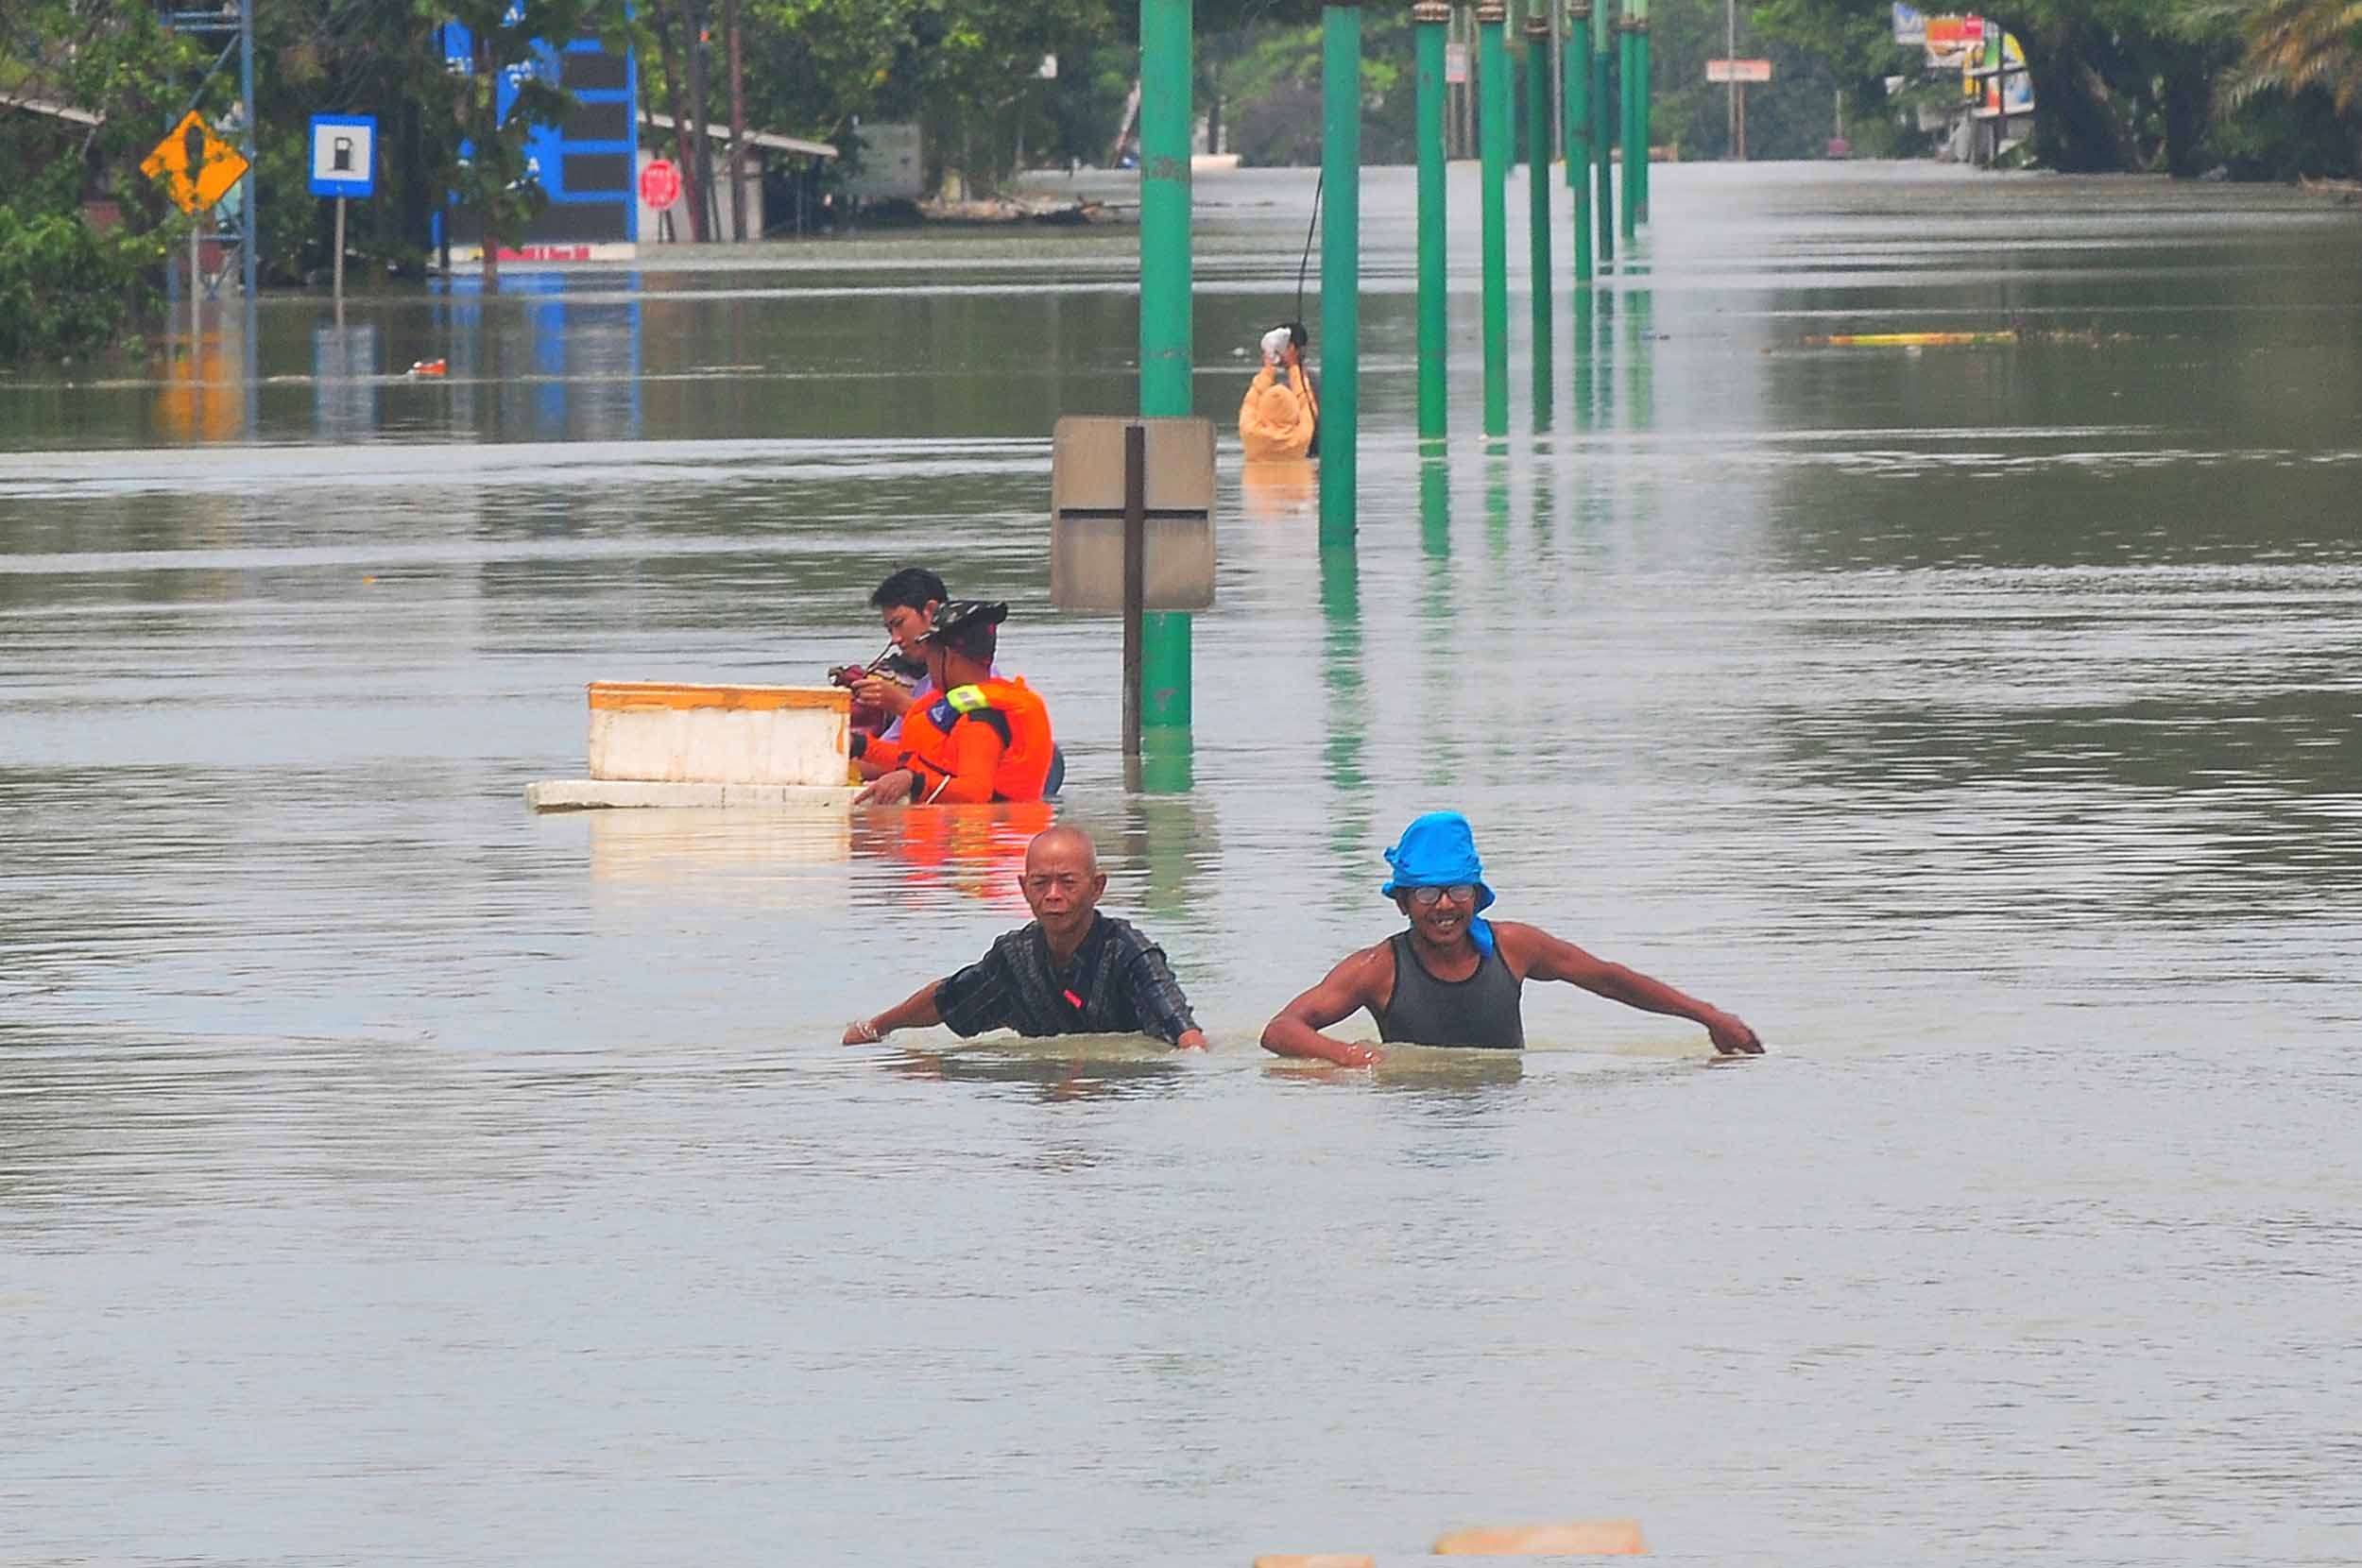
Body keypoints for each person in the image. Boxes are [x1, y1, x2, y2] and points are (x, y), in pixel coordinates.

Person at [1260, 811, 1764, 1066]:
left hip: (1504, 1114)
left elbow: (1610, 980)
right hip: (1410, 1111)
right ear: (1403, 902)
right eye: (1428, 894)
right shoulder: (1379, 968)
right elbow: (1282, 1030)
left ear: (1478, 895)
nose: (1444, 907)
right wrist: (1351, 1058)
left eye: (1458, 891)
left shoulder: (1515, 947)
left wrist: (1708, 1016)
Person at [843, 826, 1209, 1051]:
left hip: (1123, 1090)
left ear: (1097, 888)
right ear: (1023, 888)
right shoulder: (1015, 957)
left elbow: (1186, 1036)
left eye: (1067, 883)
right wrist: (876, 1028)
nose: (1052, 895)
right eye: (1039, 883)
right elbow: (945, 999)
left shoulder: (1129, 953)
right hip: (1044, 1087)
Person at [853, 601, 1056, 805]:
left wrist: (913, 782)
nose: (929, 665)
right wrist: (861, 746)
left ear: (947, 657)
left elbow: (974, 792)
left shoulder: (981, 718)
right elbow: (917, 761)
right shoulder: (957, 707)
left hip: (988, 833)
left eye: (930, 656)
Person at [1238, 323, 1320, 463]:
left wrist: (1268, 370)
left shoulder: (1251, 433)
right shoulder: (1301, 437)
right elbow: (1308, 410)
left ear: (1291, 348)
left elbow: (1250, 405)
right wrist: (1294, 366)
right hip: (1307, 461)